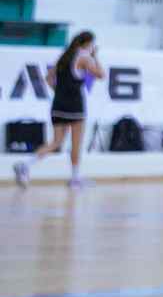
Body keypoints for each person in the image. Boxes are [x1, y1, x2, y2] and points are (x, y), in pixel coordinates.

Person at [13, 30, 102, 188]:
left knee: (56, 142)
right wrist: (95, 57)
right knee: (75, 144)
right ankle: (75, 179)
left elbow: (48, 79)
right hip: (75, 107)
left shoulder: (64, 57)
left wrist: (60, 92)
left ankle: (26, 165)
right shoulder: (85, 57)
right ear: (88, 44)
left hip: (58, 105)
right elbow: (101, 74)